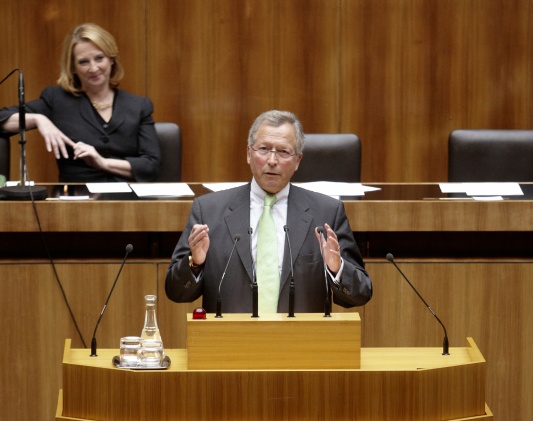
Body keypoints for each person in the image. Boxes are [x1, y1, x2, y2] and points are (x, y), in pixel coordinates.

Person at [165, 110, 372, 314]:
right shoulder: (208, 211)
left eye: (283, 152)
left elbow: (360, 293)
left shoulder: (327, 212)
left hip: (300, 335)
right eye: (264, 149)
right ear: (249, 153)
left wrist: (337, 268)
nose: (272, 160)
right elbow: (175, 292)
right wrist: (195, 264)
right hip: (230, 335)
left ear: (298, 160)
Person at [0, 23, 160, 183]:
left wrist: (102, 163)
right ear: (73, 68)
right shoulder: (58, 100)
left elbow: (151, 165)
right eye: (83, 62)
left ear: (111, 59)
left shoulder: (139, 105)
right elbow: (2, 118)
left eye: (99, 58)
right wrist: (37, 119)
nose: (93, 68)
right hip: (77, 194)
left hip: (128, 196)